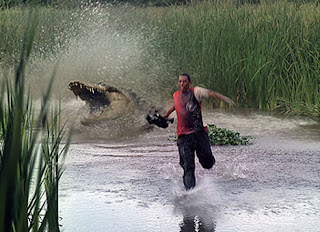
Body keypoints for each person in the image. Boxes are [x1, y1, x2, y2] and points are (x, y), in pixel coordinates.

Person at [163, 73, 235, 190]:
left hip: (199, 134)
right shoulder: (176, 95)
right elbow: (176, 105)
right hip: (183, 137)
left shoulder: (196, 91)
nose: (182, 84)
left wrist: (226, 99)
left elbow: (212, 94)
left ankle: (208, 161)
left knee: (207, 164)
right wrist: (166, 114)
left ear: (189, 82)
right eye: (180, 81)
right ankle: (190, 192)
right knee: (188, 166)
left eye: (184, 81)